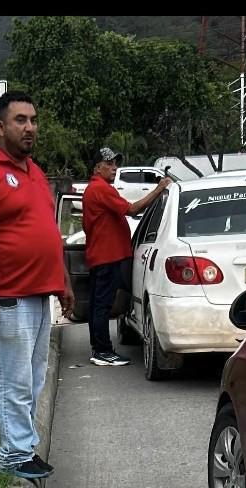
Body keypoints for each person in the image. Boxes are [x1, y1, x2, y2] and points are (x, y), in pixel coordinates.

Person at [0, 92, 74, 480]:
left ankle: (24, 448)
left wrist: (63, 282)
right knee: (14, 380)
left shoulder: (35, 173)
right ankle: (12, 455)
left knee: (34, 377)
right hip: (7, 299)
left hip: (39, 296)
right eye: (20, 120)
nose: (29, 128)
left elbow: (48, 231)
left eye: (33, 120)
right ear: (0, 127)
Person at [82, 147, 171, 366]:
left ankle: (99, 348)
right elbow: (132, 209)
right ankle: (102, 350)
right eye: (109, 164)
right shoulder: (101, 189)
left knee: (97, 304)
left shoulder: (97, 189)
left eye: (115, 164)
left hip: (101, 256)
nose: (114, 168)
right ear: (97, 168)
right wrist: (160, 188)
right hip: (107, 257)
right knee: (102, 305)